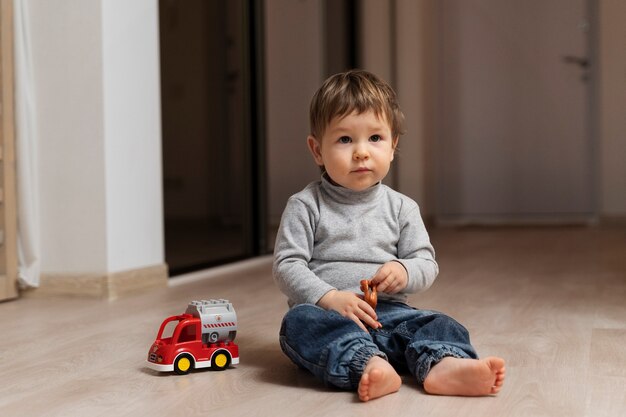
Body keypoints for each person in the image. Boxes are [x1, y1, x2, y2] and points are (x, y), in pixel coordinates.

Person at [273, 69, 506, 402]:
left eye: (375, 138)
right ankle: (367, 365)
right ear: (317, 150)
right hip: (331, 316)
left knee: (439, 323)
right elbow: (287, 265)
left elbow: (426, 262)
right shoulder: (306, 205)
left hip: (391, 316)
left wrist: (405, 270)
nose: (361, 152)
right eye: (344, 139)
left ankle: (444, 366)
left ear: (394, 145)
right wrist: (328, 297)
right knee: (297, 323)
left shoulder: (402, 208)